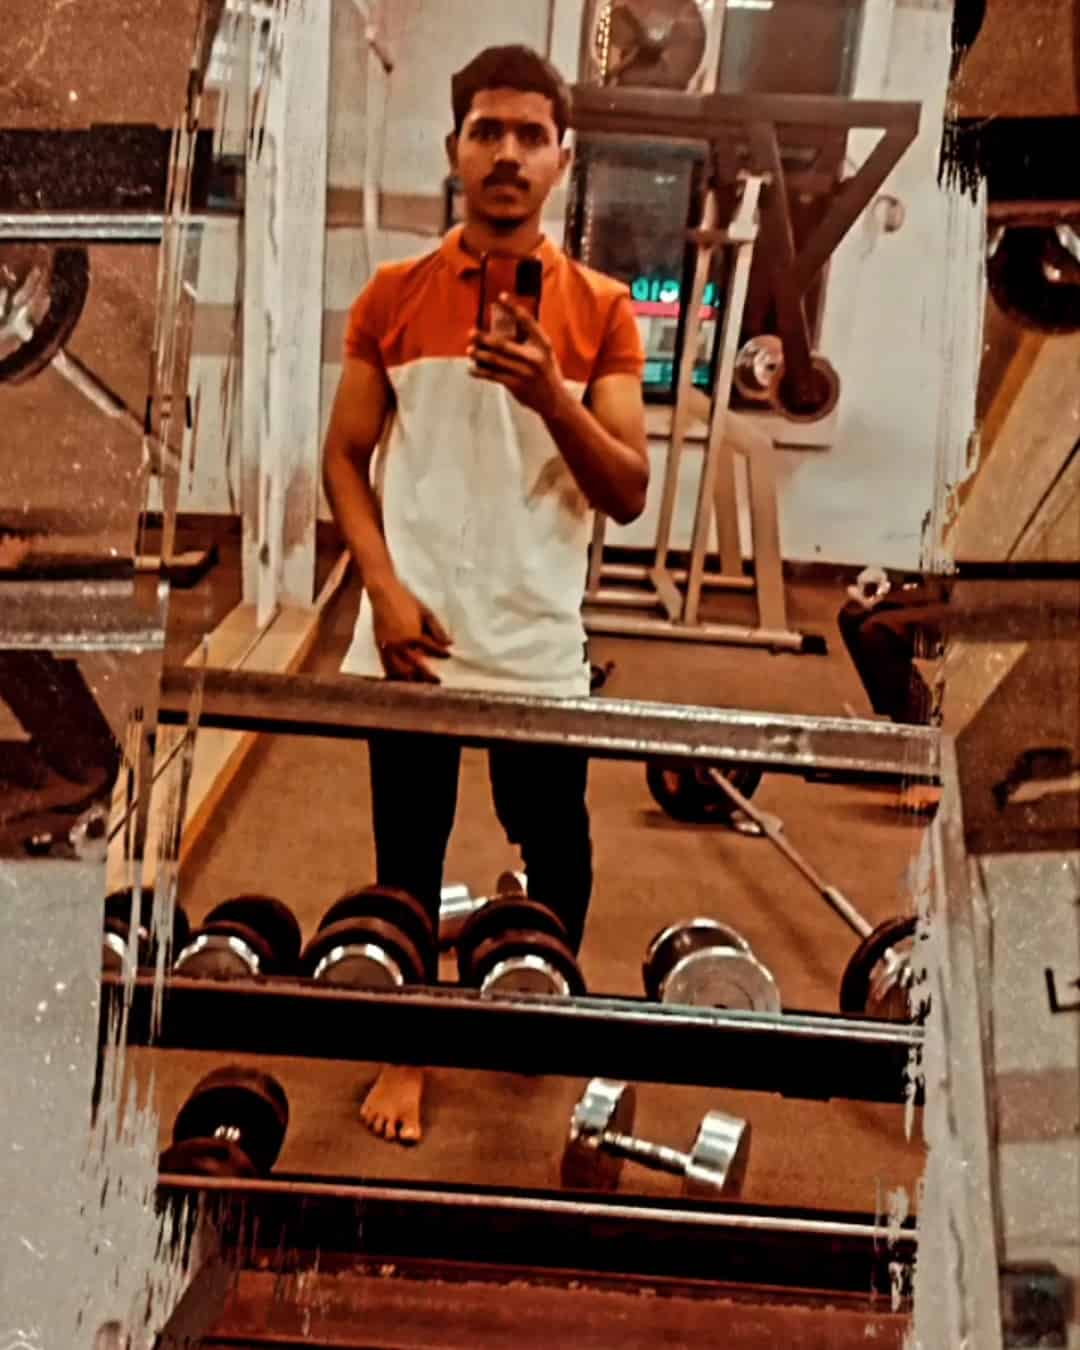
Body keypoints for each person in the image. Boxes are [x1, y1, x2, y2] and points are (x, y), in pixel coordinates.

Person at [321, 45, 649, 1144]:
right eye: (486, 132)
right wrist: (380, 589)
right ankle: (409, 1048)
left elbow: (627, 492)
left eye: (530, 135)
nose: (507, 153)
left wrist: (553, 395)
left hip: (535, 638)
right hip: (412, 630)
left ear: (562, 159)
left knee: (555, 842)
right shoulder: (391, 296)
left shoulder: (603, 311)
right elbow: (344, 458)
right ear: (455, 149)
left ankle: (537, 995)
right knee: (407, 849)